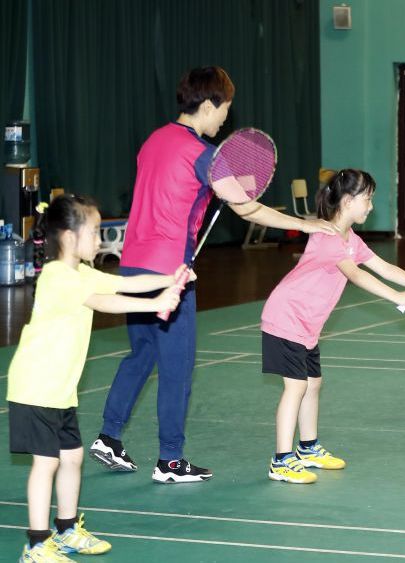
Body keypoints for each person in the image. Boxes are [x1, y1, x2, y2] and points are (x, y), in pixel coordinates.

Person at [90, 66, 337, 483]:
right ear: (208, 105)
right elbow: (248, 208)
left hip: (133, 263)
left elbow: (181, 188)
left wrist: (221, 184)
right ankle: (170, 460)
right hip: (170, 271)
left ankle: (109, 437)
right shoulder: (204, 154)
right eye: (225, 109)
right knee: (176, 366)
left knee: (143, 353)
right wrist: (308, 224)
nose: (225, 118)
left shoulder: (153, 140)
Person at [8, 195, 184, 561]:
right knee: (47, 463)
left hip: (60, 390)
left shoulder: (82, 273)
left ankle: (67, 529)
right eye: (94, 232)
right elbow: (105, 302)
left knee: (72, 458)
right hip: (36, 387)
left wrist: (171, 278)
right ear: (69, 237)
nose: (100, 240)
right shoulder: (57, 277)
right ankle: (36, 545)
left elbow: (124, 284)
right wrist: (156, 304)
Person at [262, 169, 405, 482]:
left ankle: (308, 449)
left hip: (308, 325)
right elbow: (357, 275)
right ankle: (281, 460)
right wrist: (396, 296)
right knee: (297, 386)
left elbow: (384, 267)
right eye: (367, 199)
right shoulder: (327, 237)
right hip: (286, 317)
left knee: (313, 384)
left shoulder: (352, 240)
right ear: (347, 201)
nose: (371, 206)